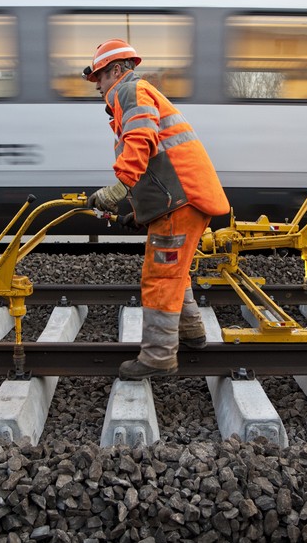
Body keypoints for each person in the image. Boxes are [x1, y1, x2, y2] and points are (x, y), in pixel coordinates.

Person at [83, 38, 230, 380]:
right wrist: (138, 212)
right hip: (181, 198)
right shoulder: (137, 93)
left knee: (161, 275)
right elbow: (159, 160)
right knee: (175, 272)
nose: (98, 86)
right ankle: (191, 333)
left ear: (116, 71)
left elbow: (141, 140)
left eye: (100, 77)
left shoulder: (129, 91)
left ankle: (159, 356)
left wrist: (120, 186)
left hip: (180, 200)